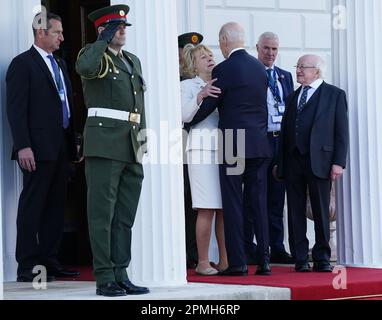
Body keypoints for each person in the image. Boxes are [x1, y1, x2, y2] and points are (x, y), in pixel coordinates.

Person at [187, 22, 272, 276]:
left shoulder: (224, 69)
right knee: (259, 203)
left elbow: (209, 106)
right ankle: (265, 262)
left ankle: (238, 263)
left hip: (233, 143)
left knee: (233, 203)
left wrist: (191, 115)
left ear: (224, 40)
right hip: (259, 143)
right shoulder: (260, 68)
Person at [76, 4, 149, 297]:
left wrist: (143, 142)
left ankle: (121, 273)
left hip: (131, 144)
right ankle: (104, 276)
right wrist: (101, 41)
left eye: (123, 28)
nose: (122, 31)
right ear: (103, 30)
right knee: (101, 214)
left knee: (124, 216)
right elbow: (85, 69)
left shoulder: (132, 60)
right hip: (104, 144)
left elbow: (139, 106)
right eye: (116, 28)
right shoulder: (93, 55)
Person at [6, 12, 80, 282]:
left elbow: (67, 106)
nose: (62, 37)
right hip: (36, 149)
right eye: (57, 32)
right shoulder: (22, 64)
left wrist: (74, 145)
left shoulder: (59, 63)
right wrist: (23, 146)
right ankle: (27, 266)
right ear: (41, 33)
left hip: (60, 146)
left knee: (56, 207)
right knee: (33, 206)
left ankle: (49, 261)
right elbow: (16, 109)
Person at [275, 54, 349, 272]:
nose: (298, 70)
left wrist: (339, 162)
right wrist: (280, 163)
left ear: (316, 71)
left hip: (321, 161)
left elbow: (341, 131)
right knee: (295, 212)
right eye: (297, 66)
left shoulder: (334, 95)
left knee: (321, 211)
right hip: (293, 161)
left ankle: (322, 258)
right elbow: (285, 133)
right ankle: (300, 258)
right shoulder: (292, 97)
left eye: (303, 67)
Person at [244, 32, 295, 265]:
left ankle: (277, 246)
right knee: (254, 194)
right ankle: (251, 247)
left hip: (279, 141)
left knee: (277, 196)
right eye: (266, 48)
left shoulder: (284, 76)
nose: (271, 53)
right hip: (259, 139)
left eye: (274, 49)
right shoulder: (251, 73)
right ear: (257, 47)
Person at [180, 44, 228, 275]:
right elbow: (183, 115)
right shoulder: (187, 86)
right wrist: (200, 95)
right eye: (203, 56)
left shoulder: (223, 82)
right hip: (201, 150)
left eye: (210, 55)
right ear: (193, 63)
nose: (209, 58)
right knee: (207, 207)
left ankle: (225, 260)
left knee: (224, 208)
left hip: (225, 148)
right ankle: (203, 261)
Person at [178, 32, 203, 269]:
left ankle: (194, 251)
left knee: (194, 199)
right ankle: (184, 250)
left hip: (194, 144)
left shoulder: (201, 80)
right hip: (175, 143)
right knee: (183, 198)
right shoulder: (174, 79)